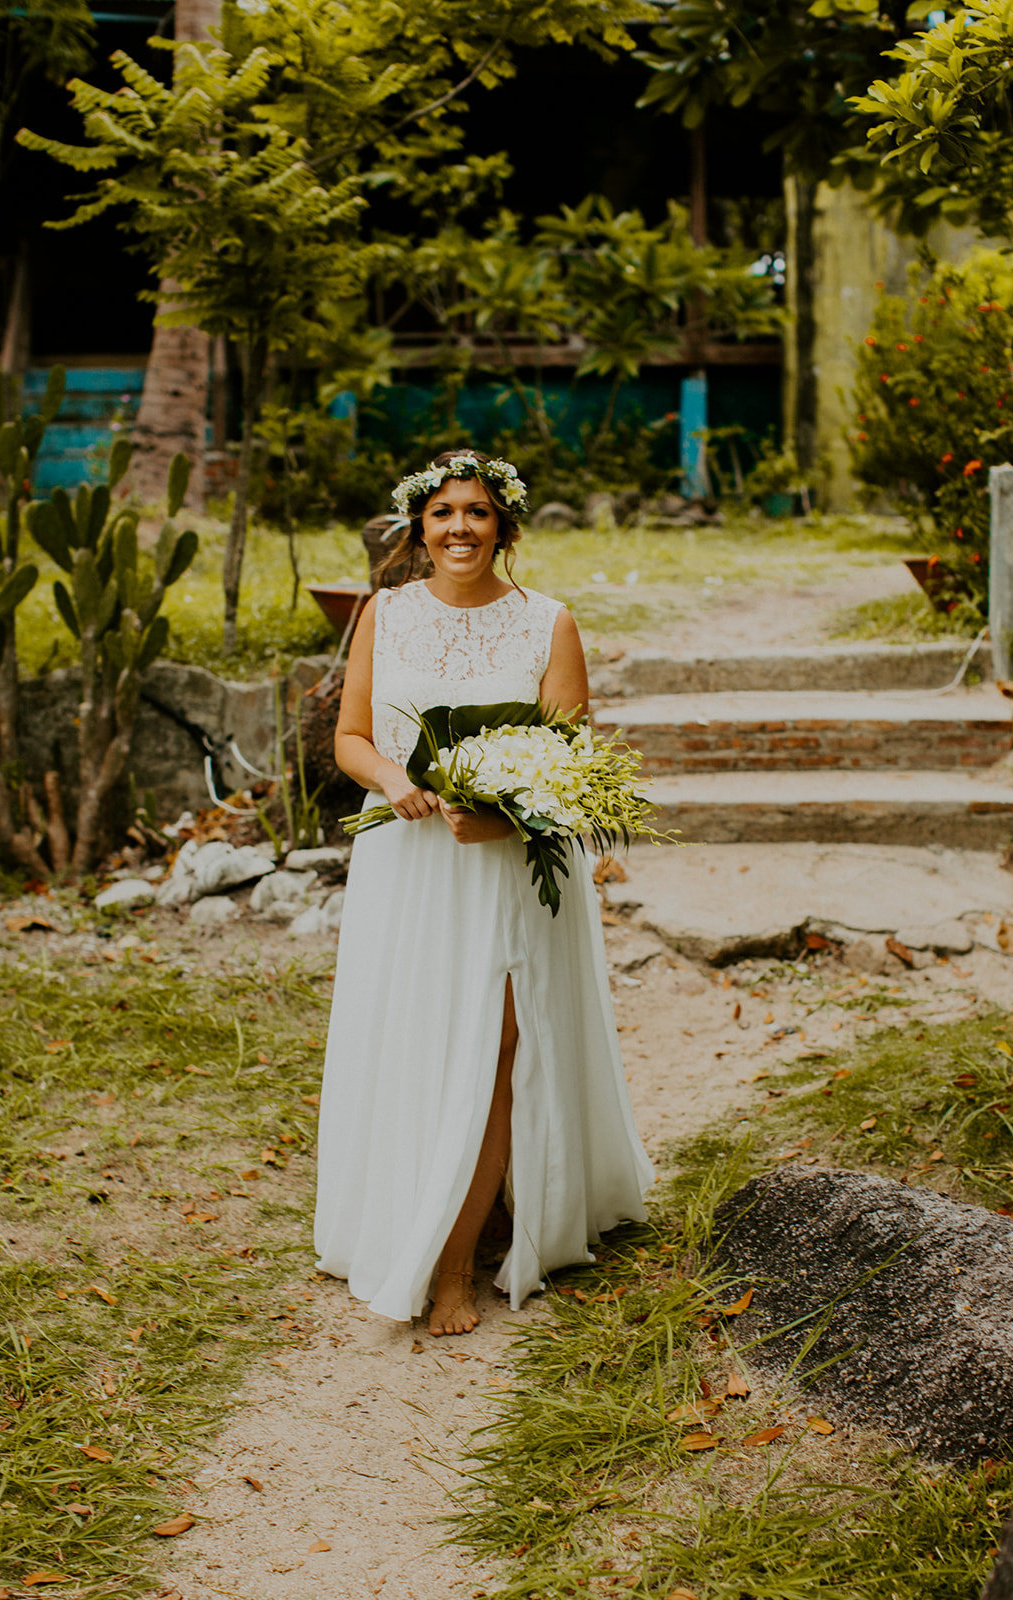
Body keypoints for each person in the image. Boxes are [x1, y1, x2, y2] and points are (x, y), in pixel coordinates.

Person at [313, 449, 653, 1337]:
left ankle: (457, 1265)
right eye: (442, 513)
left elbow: (575, 763)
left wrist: (504, 822)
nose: (459, 527)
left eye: (477, 511)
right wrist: (392, 780)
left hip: (512, 869)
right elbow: (350, 737)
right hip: (410, 861)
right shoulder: (383, 615)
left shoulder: (549, 623)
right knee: (419, 1040)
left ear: (504, 524)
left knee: (498, 1046)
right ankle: (433, 1206)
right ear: (417, 528)